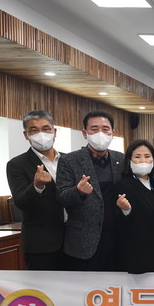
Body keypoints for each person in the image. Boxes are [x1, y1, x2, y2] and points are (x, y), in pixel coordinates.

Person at [56, 110, 125, 271]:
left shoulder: (121, 159)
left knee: (116, 285)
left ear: (112, 133)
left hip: (117, 238)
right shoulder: (69, 160)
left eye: (105, 129)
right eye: (94, 129)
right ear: (84, 133)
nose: (100, 133)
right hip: (83, 241)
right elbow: (61, 197)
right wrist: (78, 191)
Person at [5, 110, 65, 270]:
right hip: (41, 245)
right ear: (26, 135)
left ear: (54, 132)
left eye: (46, 129)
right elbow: (20, 202)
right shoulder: (16, 165)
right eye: (34, 130)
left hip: (73, 242)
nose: (41, 134)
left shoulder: (69, 160)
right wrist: (37, 186)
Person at [114, 139, 154, 274]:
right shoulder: (123, 185)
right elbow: (117, 223)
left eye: (147, 156)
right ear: (129, 160)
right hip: (138, 253)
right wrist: (125, 210)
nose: (143, 161)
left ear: (153, 159)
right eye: (137, 157)